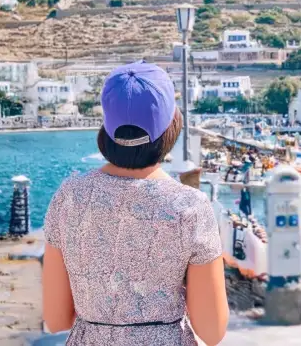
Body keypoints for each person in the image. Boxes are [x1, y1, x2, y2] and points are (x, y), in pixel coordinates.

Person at [43, 61, 229, 346]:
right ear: (172, 125)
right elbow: (212, 330)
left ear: (107, 127)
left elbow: (56, 319)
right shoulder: (190, 207)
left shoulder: (69, 197)